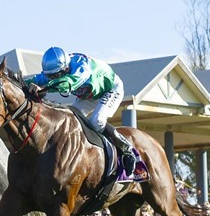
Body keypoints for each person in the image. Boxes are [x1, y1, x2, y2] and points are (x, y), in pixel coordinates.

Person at [24, 47, 137, 175]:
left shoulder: (81, 66)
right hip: (89, 95)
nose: (52, 78)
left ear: (66, 68)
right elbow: (37, 79)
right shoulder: (58, 69)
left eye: (55, 75)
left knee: (97, 121)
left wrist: (44, 87)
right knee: (70, 120)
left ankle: (126, 149)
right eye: (50, 76)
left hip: (110, 89)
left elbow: (69, 82)